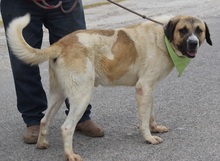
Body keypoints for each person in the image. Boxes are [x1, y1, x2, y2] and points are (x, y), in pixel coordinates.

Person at [0, 0, 104, 144]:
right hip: (19, 4)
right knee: (23, 62)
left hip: (65, 3)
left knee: (76, 55)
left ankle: (80, 116)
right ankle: (33, 119)